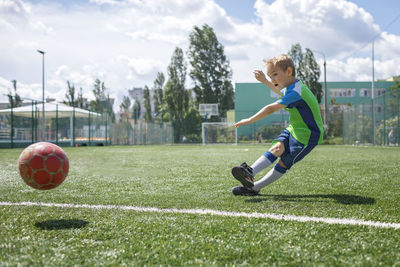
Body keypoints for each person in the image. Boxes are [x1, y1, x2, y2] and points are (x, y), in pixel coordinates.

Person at [231, 54, 324, 196]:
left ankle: (254, 188)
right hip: (294, 128)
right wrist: (264, 81)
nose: (272, 79)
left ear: (288, 71)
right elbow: (279, 91)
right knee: (277, 147)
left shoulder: (296, 92)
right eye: (270, 76)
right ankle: (250, 172)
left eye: (275, 74)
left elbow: (270, 109)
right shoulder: (292, 86)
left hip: (308, 135)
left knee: (283, 163)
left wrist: (249, 120)